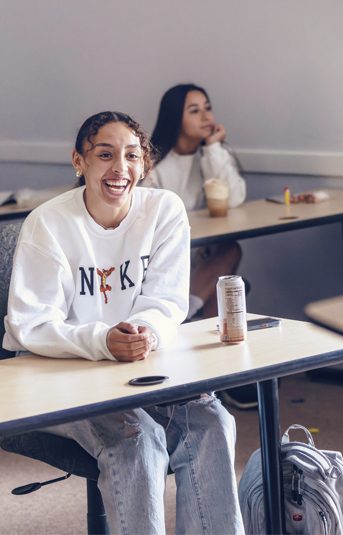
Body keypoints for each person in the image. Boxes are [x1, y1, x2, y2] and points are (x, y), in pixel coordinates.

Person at [3, 111, 243, 534]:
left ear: (145, 163)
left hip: (134, 368)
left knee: (212, 421)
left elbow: (166, 301)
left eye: (132, 156)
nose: (120, 168)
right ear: (79, 162)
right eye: (105, 154)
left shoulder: (164, 210)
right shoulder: (49, 224)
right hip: (54, 375)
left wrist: (145, 332)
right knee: (137, 440)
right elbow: (30, 325)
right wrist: (103, 341)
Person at [149, 83, 246, 320]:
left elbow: (232, 199)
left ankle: (188, 315)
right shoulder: (153, 164)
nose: (206, 116)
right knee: (219, 287)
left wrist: (213, 147)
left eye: (208, 108)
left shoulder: (214, 154)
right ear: (175, 118)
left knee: (230, 249)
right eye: (194, 111)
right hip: (166, 257)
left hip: (201, 252)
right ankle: (193, 321)